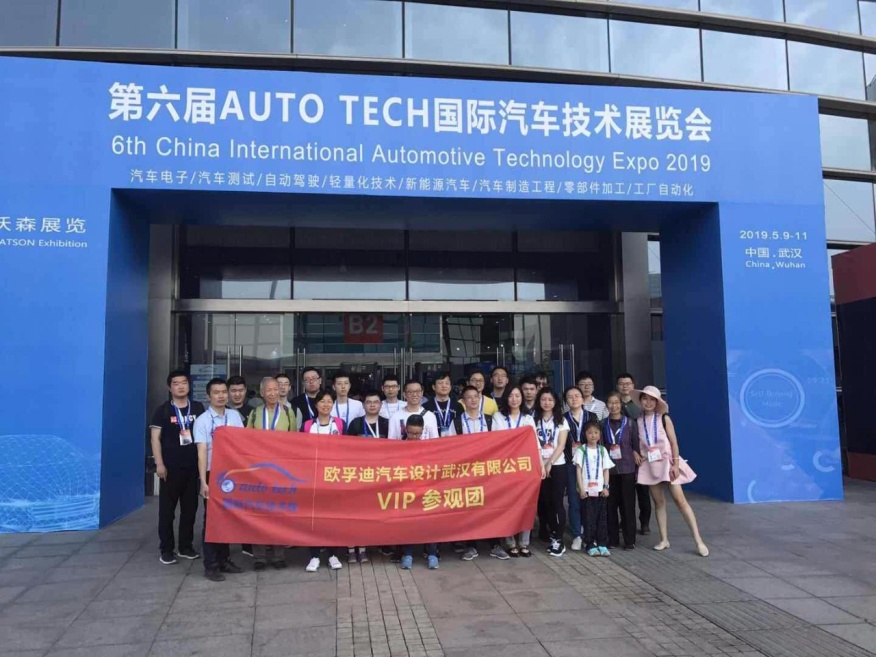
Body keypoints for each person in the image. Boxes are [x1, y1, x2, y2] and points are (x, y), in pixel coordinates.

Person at [635, 386, 709, 557]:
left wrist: (675, 464)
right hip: (650, 464)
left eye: (652, 399)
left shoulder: (664, 418)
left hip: (667, 463)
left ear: (657, 402)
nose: (648, 402)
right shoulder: (637, 420)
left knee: (680, 501)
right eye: (645, 398)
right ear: (641, 400)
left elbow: (674, 442)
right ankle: (664, 539)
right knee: (659, 503)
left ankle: (698, 540)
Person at [149, 370, 205, 565]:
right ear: (169, 387)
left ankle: (185, 547)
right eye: (176, 383)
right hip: (170, 468)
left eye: (184, 382)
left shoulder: (198, 407)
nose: (181, 386)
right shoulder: (163, 410)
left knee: (190, 510)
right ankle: (166, 549)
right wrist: (159, 463)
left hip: (192, 467)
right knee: (167, 511)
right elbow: (155, 438)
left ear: (189, 385)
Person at [193, 377, 245, 581]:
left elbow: (242, 444)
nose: (221, 396)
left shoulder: (234, 416)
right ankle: (211, 564)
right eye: (216, 393)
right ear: (208, 396)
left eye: (224, 392)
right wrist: (203, 482)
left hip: (231, 474)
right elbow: (201, 452)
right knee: (212, 520)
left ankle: (224, 560)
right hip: (212, 473)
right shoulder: (202, 420)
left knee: (227, 518)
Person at [246, 377, 297, 570]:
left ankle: (278, 555)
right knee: (258, 513)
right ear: (261, 393)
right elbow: (246, 439)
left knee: (279, 513)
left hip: (280, 471)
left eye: (276, 389)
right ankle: (259, 557)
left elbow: (295, 441)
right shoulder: (254, 413)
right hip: (259, 471)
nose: (273, 393)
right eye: (269, 390)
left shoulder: (288, 412)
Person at [492, 385, 538, 557]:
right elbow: (496, 440)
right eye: (511, 395)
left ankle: (524, 543)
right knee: (507, 504)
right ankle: (510, 542)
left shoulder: (528, 418)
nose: (514, 399)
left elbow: (535, 443)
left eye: (517, 395)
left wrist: (540, 465)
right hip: (505, 467)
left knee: (526, 504)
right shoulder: (498, 416)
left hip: (525, 466)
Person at [305, 390, 345, 572]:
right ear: (316, 405)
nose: (326, 404)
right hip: (313, 476)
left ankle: (332, 554)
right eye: (322, 401)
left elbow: (348, 448)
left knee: (333, 516)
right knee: (313, 517)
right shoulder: (307, 425)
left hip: (334, 476)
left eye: (329, 401)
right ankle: (314, 555)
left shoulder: (340, 424)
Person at [399, 415, 440, 570]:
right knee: (407, 523)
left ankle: (432, 554)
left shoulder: (429, 448)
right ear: (405, 430)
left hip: (425, 490)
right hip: (406, 492)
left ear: (423, 431)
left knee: (430, 523)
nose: (414, 437)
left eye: (418, 434)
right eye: (411, 433)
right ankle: (407, 554)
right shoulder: (397, 448)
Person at [603, 391, 641, 550]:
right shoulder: (602, 424)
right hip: (609, 471)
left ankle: (629, 540)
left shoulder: (630, 423)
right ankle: (612, 539)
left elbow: (636, 446)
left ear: (621, 404)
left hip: (627, 469)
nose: (614, 406)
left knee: (628, 506)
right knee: (610, 506)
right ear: (607, 405)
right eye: (610, 403)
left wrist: (636, 460)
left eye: (617, 403)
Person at [535, 388, 569, 557]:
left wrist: (550, 463)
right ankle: (551, 533)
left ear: (555, 402)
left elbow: (561, 445)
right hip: (539, 465)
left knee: (557, 503)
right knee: (545, 502)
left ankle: (559, 539)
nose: (547, 402)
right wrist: (542, 464)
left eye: (550, 399)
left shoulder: (561, 420)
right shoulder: (533, 419)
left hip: (557, 465)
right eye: (543, 399)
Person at [563, 386, 599, 552]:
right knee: (574, 500)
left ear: (582, 398)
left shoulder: (592, 416)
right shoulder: (563, 418)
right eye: (570, 397)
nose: (574, 399)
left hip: (590, 464)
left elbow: (598, 439)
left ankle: (590, 534)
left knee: (590, 499)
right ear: (566, 400)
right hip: (571, 463)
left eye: (577, 396)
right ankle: (577, 534)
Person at [574, 420, 615, 557]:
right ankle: (590, 544)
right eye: (590, 433)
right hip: (586, 491)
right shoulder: (581, 450)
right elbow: (578, 470)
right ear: (585, 434)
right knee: (588, 518)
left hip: (600, 490)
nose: (593, 435)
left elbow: (606, 470)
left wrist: (606, 487)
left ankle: (602, 543)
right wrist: (581, 489)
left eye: (596, 432)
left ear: (600, 434)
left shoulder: (602, 450)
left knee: (601, 517)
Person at [617, 372, 651, 536]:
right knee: (625, 493)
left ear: (633, 385)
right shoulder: (614, 404)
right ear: (617, 386)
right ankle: (625, 522)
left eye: (628, 383)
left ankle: (644, 523)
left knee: (643, 491)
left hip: (640, 454)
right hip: (623, 455)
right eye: (621, 383)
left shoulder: (639, 405)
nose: (625, 386)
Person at [424, 372, 457, 437]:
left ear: (450, 387)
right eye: (440, 383)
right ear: (433, 387)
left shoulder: (458, 406)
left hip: (455, 442)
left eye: (447, 383)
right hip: (433, 441)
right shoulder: (426, 407)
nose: (444, 386)